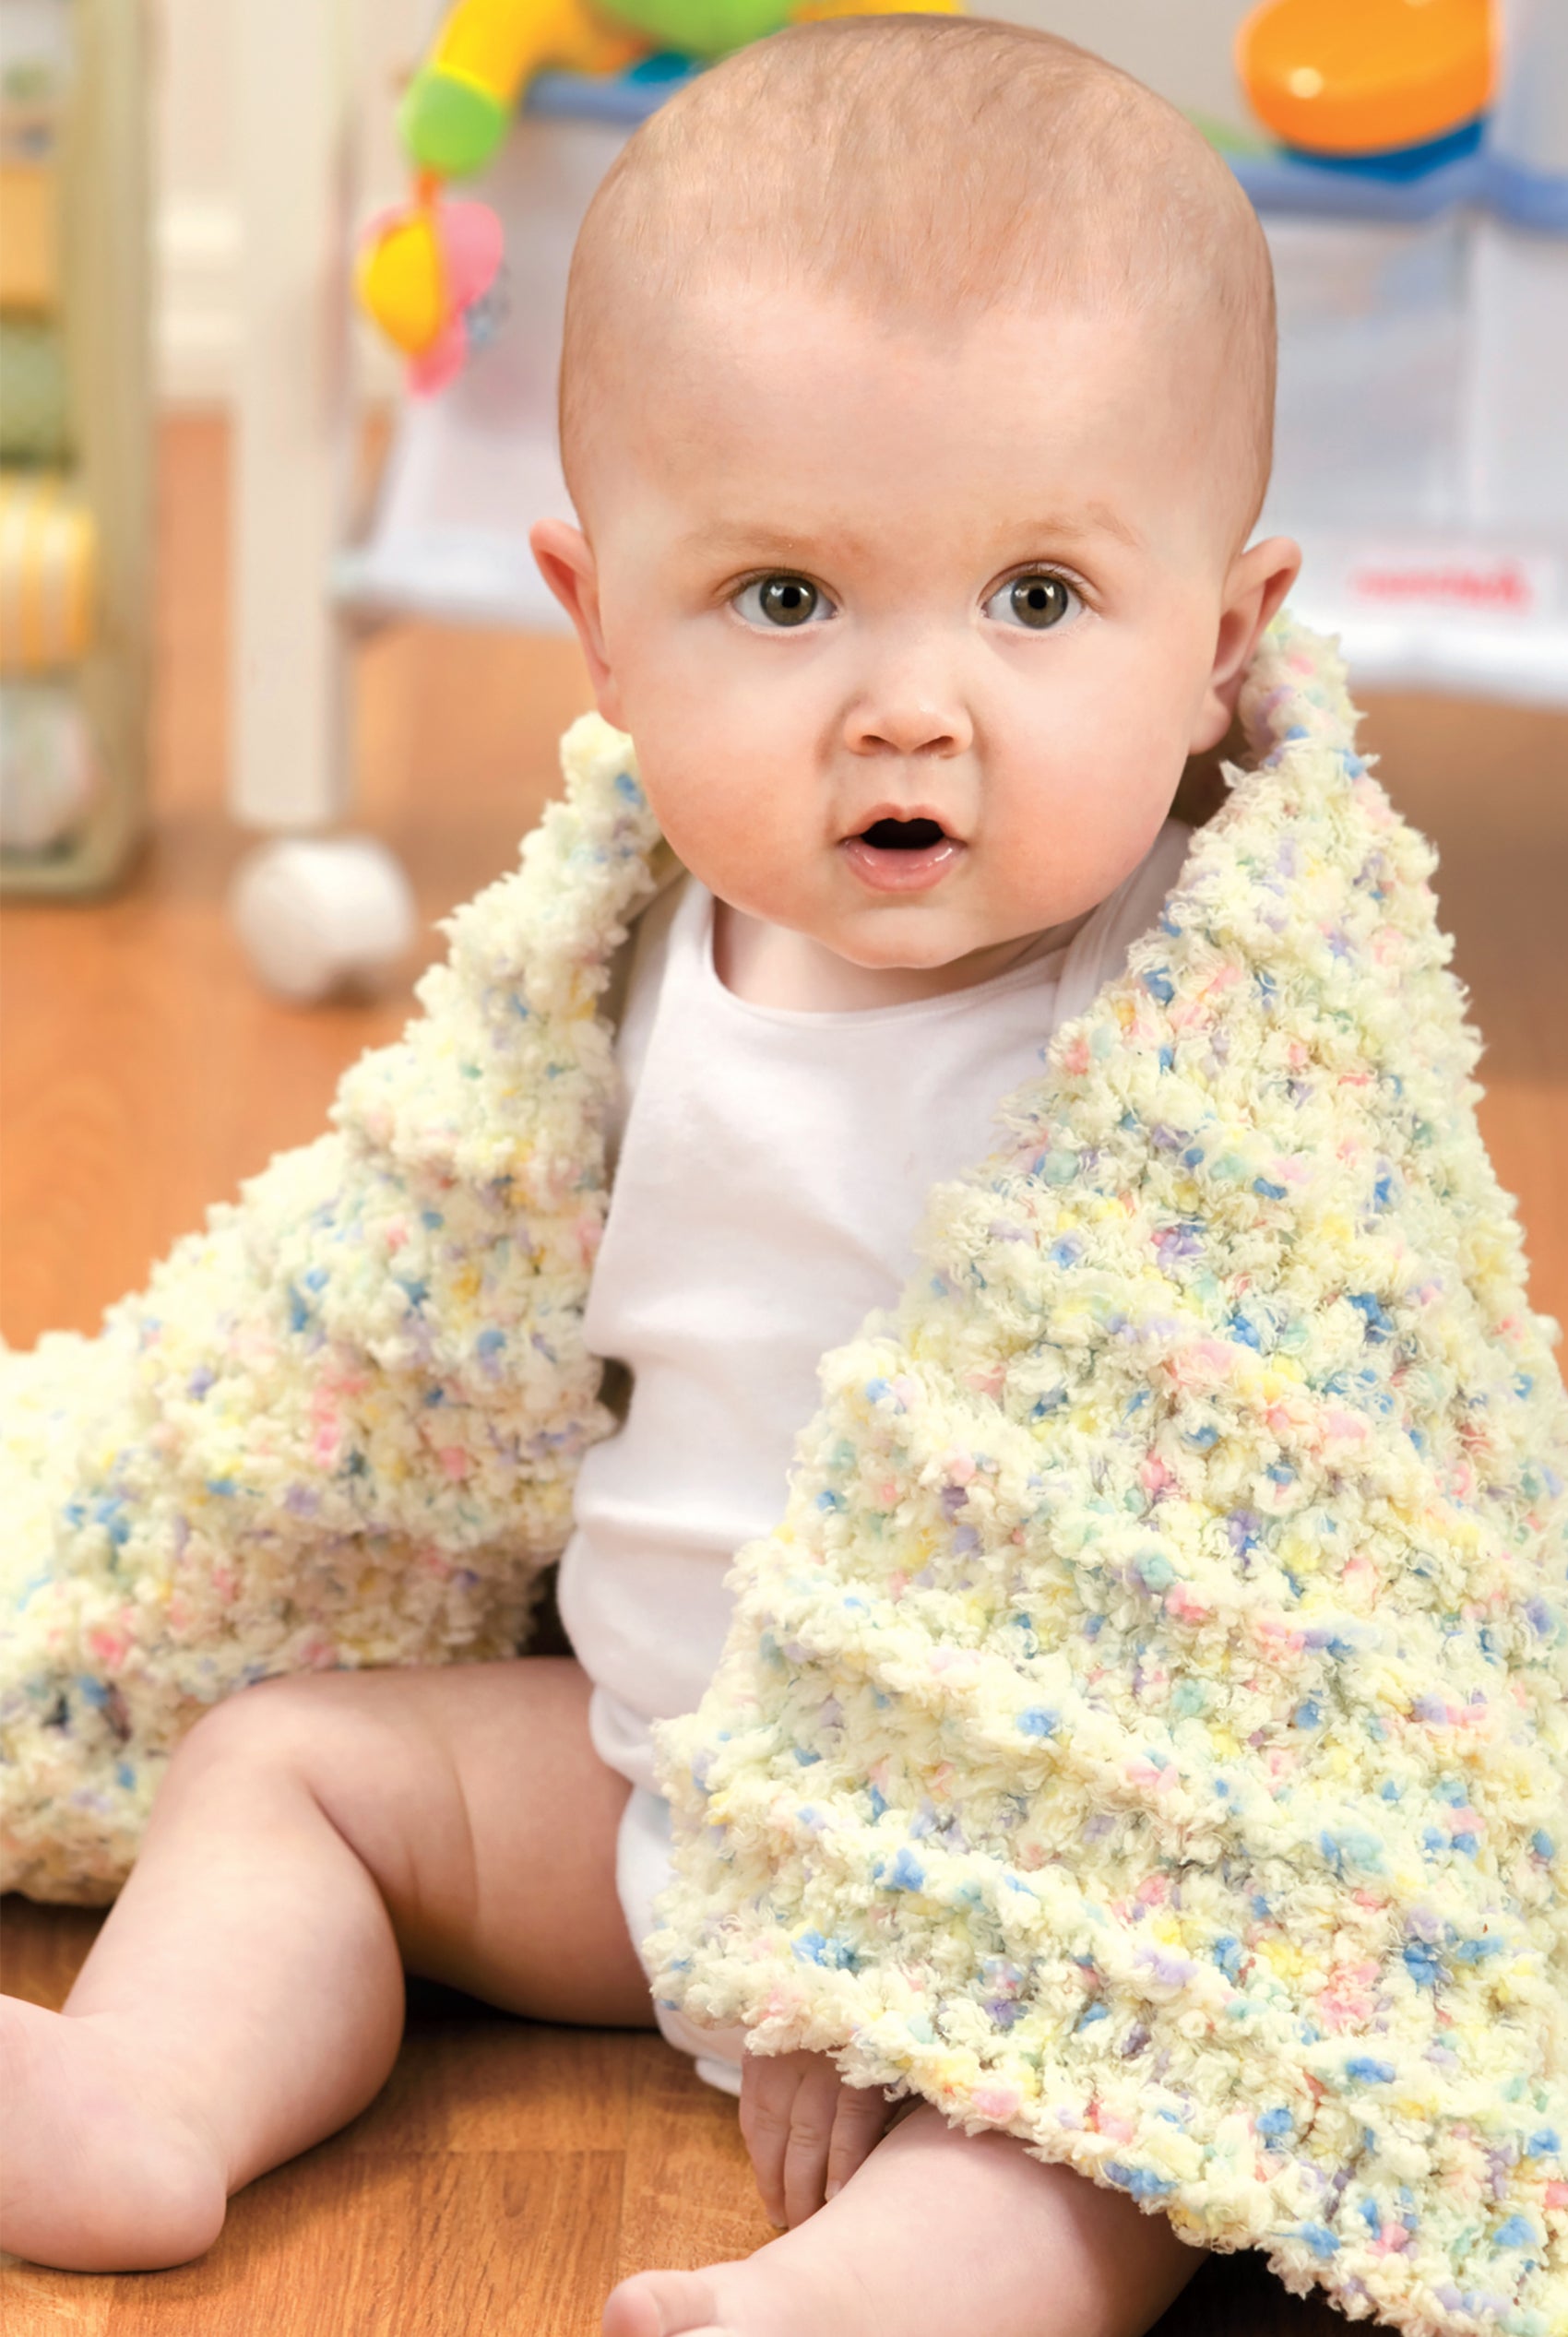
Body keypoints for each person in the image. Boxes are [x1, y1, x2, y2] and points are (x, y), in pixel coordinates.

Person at [0, 20, 1300, 2332]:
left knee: (1129, 2124)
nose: (912, 706)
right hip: (630, 1780)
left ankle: (872, 2294)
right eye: (787, 600)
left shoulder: (1184, 1053)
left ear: (1216, 646)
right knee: (287, 1761)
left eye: (1033, 598)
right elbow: (410, 1334)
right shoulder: (607, 960)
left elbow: (1216, 1594)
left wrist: (896, 1949)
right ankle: (152, 2098)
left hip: (1022, 1881)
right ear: (597, 623)